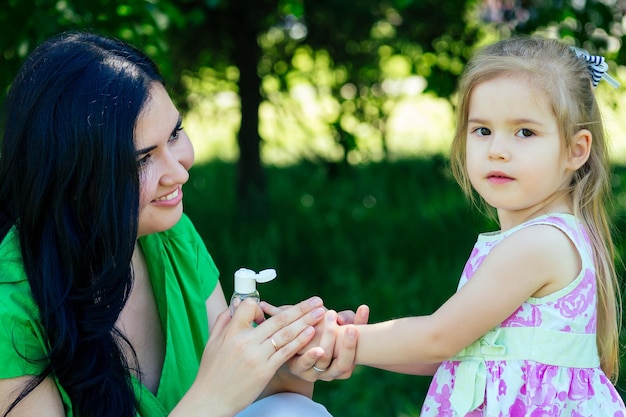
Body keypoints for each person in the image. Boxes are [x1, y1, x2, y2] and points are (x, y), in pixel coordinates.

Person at [0, 31, 369, 417]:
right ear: (70, 176)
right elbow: (218, 401)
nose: (179, 172)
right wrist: (212, 398)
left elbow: (256, 405)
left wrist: (291, 364)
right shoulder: (10, 307)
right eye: (142, 160)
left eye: (175, 134)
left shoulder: (171, 237)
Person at [327, 37, 626, 415]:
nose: (497, 149)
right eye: (482, 130)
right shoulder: (528, 240)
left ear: (575, 150)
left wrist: (341, 339)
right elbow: (453, 352)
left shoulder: (540, 244)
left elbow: (438, 338)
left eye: (525, 132)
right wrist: (362, 343)